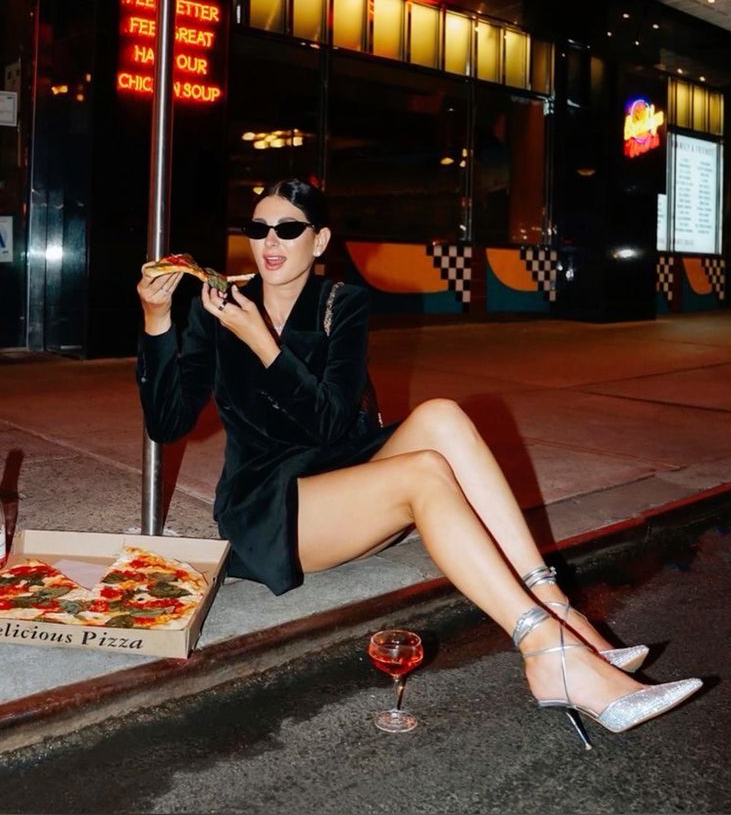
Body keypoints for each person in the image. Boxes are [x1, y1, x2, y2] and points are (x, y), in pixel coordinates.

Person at [136, 177, 701, 749]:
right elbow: (167, 424)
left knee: (442, 415)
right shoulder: (221, 311)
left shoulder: (342, 303)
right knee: (424, 471)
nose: (270, 241)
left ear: (321, 239)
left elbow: (332, 425)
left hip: (343, 469)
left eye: (289, 228)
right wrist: (158, 320)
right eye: (258, 228)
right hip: (270, 507)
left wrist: (265, 344)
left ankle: (559, 610)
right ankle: (545, 652)